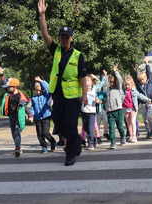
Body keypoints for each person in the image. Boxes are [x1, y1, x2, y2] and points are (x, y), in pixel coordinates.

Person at [38, 0, 88, 166]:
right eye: (62, 37)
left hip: (73, 96)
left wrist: (85, 95)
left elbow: (82, 77)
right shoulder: (56, 50)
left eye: (67, 37)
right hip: (57, 94)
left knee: (70, 125)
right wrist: (42, 15)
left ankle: (70, 154)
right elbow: (45, 34)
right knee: (59, 124)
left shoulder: (78, 55)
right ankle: (77, 143)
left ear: (71, 38)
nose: (64, 39)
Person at [0, 65, 30, 158]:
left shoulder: (21, 95)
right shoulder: (8, 93)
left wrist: (30, 114)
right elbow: (4, 82)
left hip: (19, 116)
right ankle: (17, 147)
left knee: (16, 131)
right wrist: (1, 73)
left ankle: (17, 148)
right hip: (11, 116)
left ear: (14, 87)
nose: (6, 88)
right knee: (14, 133)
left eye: (9, 87)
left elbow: (27, 105)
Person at [29, 76, 56, 153]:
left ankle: (52, 141)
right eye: (36, 89)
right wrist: (31, 115)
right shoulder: (33, 98)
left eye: (39, 89)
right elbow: (31, 108)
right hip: (37, 118)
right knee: (39, 134)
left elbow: (48, 87)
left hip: (46, 116)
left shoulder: (46, 95)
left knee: (45, 133)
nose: (37, 91)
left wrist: (41, 81)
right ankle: (44, 147)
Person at [123, 75, 151, 143]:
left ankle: (134, 136)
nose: (127, 86)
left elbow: (140, 96)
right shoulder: (123, 92)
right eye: (126, 85)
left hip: (133, 108)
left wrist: (147, 99)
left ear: (132, 84)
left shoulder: (134, 91)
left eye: (128, 85)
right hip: (126, 109)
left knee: (133, 121)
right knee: (128, 123)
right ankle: (131, 135)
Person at [81, 74, 106, 150]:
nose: (87, 82)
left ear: (91, 82)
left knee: (90, 128)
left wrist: (98, 101)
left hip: (91, 112)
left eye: (88, 81)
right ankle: (94, 140)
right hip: (84, 111)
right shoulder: (82, 90)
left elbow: (98, 99)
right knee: (86, 128)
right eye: (85, 81)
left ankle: (90, 144)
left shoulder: (94, 90)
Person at [104, 65, 126, 149]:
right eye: (110, 82)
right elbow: (105, 83)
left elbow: (120, 80)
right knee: (111, 128)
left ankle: (123, 136)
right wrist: (106, 76)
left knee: (120, 126)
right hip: (110, 111)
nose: (111, 83)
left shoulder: (119, 88)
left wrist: (115, 71)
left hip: (119, 110)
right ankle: (113, 142)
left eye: (113, 82)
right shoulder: (107, 89)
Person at [135, 57, 152, 139]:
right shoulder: (139, 86)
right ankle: (148, 131)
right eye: (140, 80)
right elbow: (136, 77)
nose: (141, 81)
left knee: (149, 118)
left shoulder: (149, 82)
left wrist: (147, 64)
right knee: (145, 119)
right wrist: (136, 69)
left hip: (151, 103)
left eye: (142, 79)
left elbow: (149, 73)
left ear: (146, 78)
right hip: (143, 104)